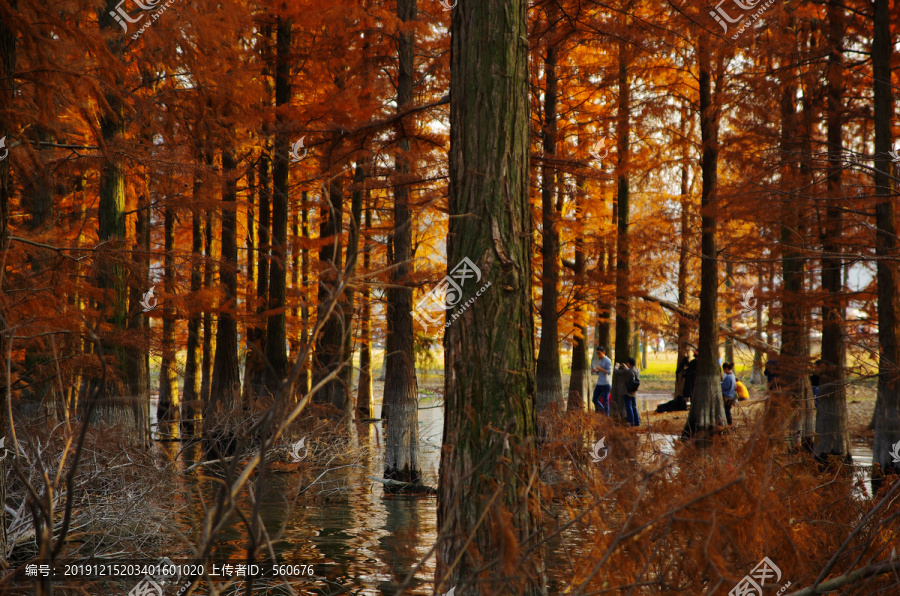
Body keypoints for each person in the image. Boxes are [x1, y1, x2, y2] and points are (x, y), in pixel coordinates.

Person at [590, 346, 613, 415]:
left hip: (606, 384)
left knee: (605, 401)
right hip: (599, 383)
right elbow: (600, 372)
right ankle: (604, 411)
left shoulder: (608, 361)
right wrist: (595, 371)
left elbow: (609, 372)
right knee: (594, 399)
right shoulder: (600, 361)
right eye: (597, 353)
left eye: (599, 353)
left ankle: (606, 416)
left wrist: (600, 368)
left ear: (603, 352)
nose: (598, 355)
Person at [622, 357, 641, 426]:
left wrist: (616, 367)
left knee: (628, 406)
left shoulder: (628, 371)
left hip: (628, 391)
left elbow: (617, 371)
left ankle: (631, 422)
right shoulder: (637, 370)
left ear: (629, 363)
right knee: (634, 406)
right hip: (634, 391)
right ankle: (637, 421)